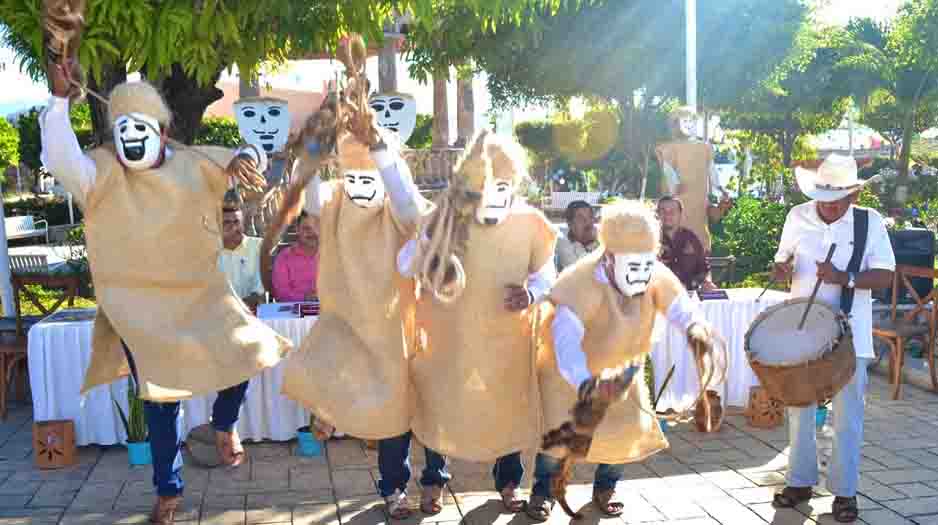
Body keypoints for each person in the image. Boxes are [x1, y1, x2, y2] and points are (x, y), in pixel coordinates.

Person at [41, 62, 291, 524]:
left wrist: (249, 154)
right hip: (140, 310)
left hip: (200, 295)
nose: (130, 136)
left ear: (162, 129)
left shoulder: (195, 161)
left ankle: (224, 422)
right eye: (122, 128)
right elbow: (59, 158)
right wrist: (58, 103)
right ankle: (168, 489)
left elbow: (247, 153)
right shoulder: (99, 172)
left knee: (249, 349)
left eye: (140, 127)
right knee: (161, 401)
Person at [280, 101, 437, 520]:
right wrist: (316, 141)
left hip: (396, 329)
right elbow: (308, 189)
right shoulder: (333, 205)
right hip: (346, 323)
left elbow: (408, 202)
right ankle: (333, 416)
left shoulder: (401, 212)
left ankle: (413, 485)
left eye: (372, 175)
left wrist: (379, 146)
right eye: (354, 176)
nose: (361, 184)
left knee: (405, 411)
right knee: (329, 373)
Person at [526, 200, 716, 521]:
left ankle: (606, 487)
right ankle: (542, 493)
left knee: (621, 431)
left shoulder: (654, 272)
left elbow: (680, 306)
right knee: (557, 440)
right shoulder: (577, 282)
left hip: (622, 371)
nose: (642, 272)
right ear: (610, 257)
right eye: (632, 264)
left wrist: (695, 328)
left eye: (647, 263)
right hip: (569, 375)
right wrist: (586, 382)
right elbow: (565, 342)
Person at [400, 130, 558, 515]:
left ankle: (508, 483)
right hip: (447, 336)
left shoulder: (530, 221)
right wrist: (428, 237)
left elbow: (547, 275)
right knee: (440, 403)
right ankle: (434, 483)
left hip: (505, 339)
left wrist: (532, 294)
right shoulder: (446, 217)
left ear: (514, 183)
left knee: (506, 405)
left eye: (501, 185)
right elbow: (405, 266)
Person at [771, 154, 894, 524]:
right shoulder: (797, 216)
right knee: (800, 411)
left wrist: (846, 278)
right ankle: (799, 482)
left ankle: (844, 493)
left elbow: (885, 275)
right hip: (803, 330)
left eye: (835, 198)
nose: (826, 204)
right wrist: (780, 269)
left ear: (853, 196)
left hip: (849, 334)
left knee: (847, 417)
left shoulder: (868, 223)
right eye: (822, 195)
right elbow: (783, 261)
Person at [656, 196, 716, 291]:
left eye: (672, 211)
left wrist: (707, 282)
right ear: (657, 214)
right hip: (659, 297)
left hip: (689, 295)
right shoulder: (650, 240)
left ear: (680, 214)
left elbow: (703, 268)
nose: (667, 215)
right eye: (663, 211)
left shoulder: (691, 238)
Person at [219, 205, 266, 308]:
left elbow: (260, 290)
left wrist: (240, 307)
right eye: (226, 222)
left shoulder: (258, 246)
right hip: (220, 312)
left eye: (236, 222)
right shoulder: (211, 252)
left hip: (252, 311)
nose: (233, 227)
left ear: (243, 224)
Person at [271, 211, 320, 302]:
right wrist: (306, 298)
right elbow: (281, 294)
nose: (312, 233)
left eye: (317, 228)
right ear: (297, 229)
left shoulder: (333, 255)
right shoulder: (284, 258)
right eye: (306, 228)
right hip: (295, 313)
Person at [555, 200, 599, 272]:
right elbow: (581, 271)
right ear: (570, 223)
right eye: (580, 218)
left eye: (590, 217)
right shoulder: (562, 241)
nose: (587, 222)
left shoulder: (601, 237)